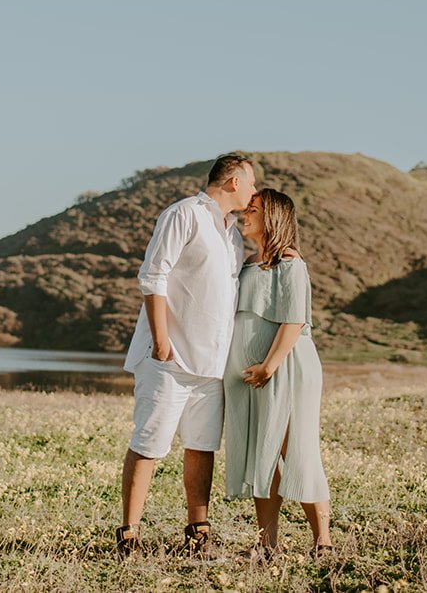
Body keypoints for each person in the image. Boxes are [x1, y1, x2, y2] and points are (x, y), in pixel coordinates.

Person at [117, 152, 257, 559]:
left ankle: (198, 531)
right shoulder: (183, 215)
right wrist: (161, 342)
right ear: (233, 182)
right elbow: (153, 275)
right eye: (250, 182)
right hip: (170, 359)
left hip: (211, 363)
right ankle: (128, 534)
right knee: (149, 442)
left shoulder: (232, 233)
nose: (253, 191)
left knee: (202, 445)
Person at [225, 188, 332, 559]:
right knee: (262, 452)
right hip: (253, 373)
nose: (245, 215)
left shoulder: (290, 262)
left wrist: (270, 365)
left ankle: (323, 541)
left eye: (252, 210)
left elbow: (294, 319)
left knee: (295, 448)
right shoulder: (248, 263)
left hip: (286, 367)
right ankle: (266, 543)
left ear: (272, 218)